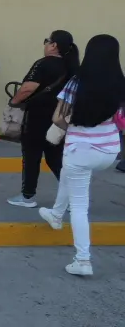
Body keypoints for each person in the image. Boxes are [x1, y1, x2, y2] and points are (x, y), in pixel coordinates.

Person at [39, 34, 125, 276]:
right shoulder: (120, 83)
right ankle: (56, 214)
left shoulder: (77, 82)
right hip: (109, 151)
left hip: (80, 149)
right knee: (69, 172)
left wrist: (74, 123)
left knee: (79, 205)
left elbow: (58, 117)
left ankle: (83, 260)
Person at [7, 30, 79, 208]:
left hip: (37, 117)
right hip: (58, 118)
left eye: (47, 41)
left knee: (32, 156)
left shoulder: (43, 64)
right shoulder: (70, 67)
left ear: (54, 45)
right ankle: (73, 197)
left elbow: (27, 89)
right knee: (55, 158)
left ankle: (27, 196)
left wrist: (13, 103)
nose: (45, 44)